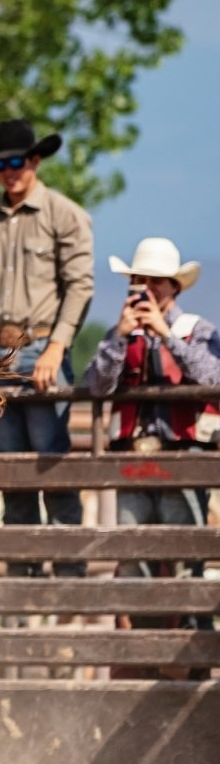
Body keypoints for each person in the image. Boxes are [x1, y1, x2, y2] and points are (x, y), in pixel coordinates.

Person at [0, 118, 95, 575]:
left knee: (52, 470)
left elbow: (79, 287)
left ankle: (69, 585)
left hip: (40, 351)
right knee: (12, 477)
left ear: (35, 160)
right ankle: (22, 591)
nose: (9, 171)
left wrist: (58, 348)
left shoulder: (65, 215)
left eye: (17, 161)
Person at [79, 237, 220, 633]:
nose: (147, 289)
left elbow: (212, 377)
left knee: (184, 558)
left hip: (184, 458)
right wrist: (121, 338)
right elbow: (97, 386)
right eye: (140, 280)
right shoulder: (119, 334)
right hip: (135, 463)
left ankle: (187, 658)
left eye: (156, 281)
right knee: (132, 557)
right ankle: (142, 651)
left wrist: (166, 335)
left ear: (175, 285)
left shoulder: (197, 330)